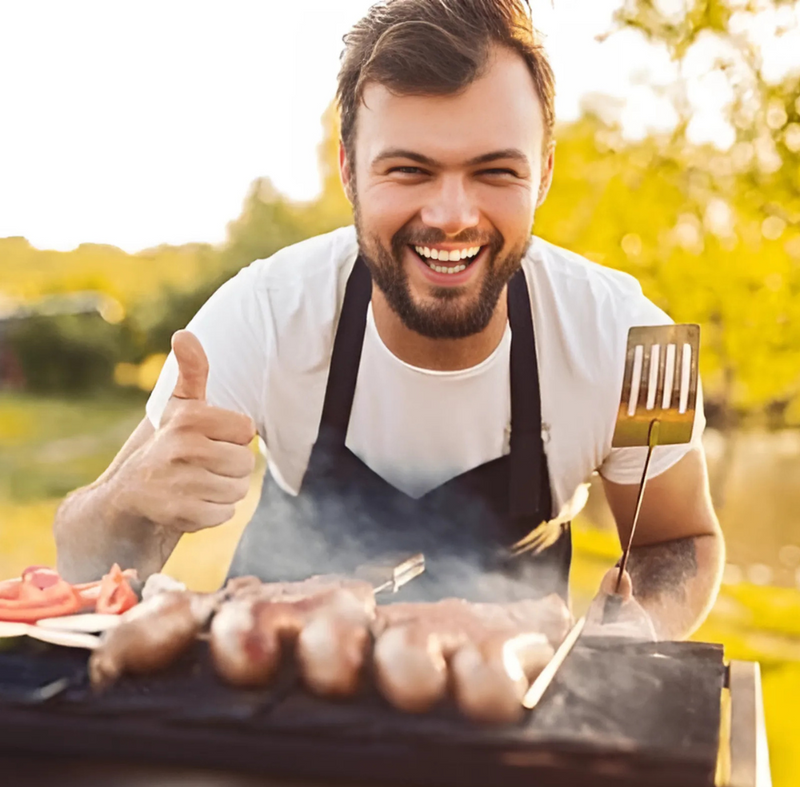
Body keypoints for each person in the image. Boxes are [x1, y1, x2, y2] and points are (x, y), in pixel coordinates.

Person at [54, 0, 724, 640]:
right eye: (409, 169)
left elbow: (679, 539)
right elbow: (84, 565)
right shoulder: (261, 314)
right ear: (348, 171)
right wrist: (130, 501)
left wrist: (643, 626)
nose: (452, 215)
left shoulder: (627, 337)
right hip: (267, 694)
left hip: (505, 714)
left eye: (495, 171)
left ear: (543, 175)